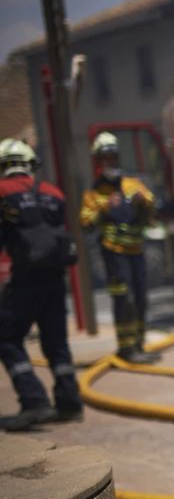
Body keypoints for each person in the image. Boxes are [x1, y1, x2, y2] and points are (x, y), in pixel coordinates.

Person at [0, 138, 82, 431]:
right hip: (55, 279)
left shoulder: (3, 192)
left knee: (7, 337)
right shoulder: (53, 193)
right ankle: (69, 402)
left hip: (24, 280)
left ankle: (34, 401)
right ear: (30, 165)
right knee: (56, 342)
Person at [80, 131, 160, 364]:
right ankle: (126, 348)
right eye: (105, 158)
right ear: (98, 161)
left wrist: (143, 201)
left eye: (113, 157)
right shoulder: (94, 193)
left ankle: (139, 344)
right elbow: (85, 222)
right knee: (123, 299)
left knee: (141, 298)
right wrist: (104, 207)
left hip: (136, 251)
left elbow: (151, 205)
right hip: (113, 253)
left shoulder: (132, 184)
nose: (110, 162)